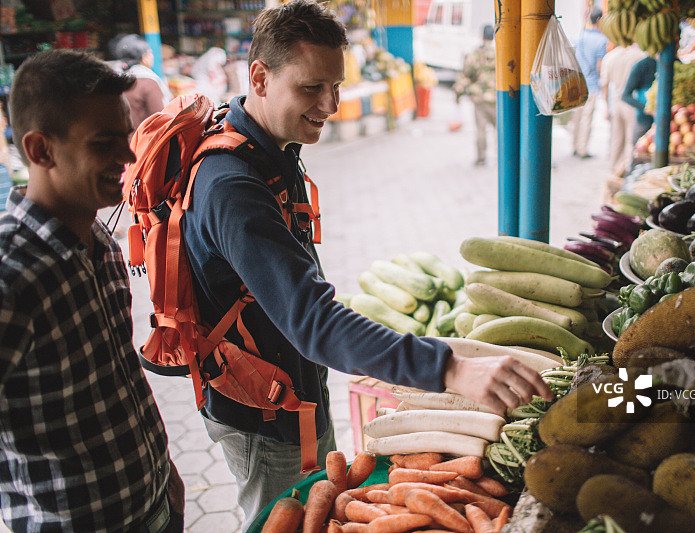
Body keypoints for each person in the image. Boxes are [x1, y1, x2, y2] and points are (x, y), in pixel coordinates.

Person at [180, 1, 553, 529]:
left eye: (336, 85)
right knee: (279, 518)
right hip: (260, 411)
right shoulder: (232, 186)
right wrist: (449, 368)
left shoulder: (267, 147)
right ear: (259, 78)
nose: (330, 104)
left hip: (293, 390)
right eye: (312, 87)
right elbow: (314, 322)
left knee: (322, 500)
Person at [0, 49, 184, 531]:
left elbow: (116, 375)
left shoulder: (98, 236)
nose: (127, 157)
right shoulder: (10, 275)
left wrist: (163, 472)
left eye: (125, 138)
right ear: (41, 150)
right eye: (105, 143)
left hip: (152, 504)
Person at [453, 24, 497, 166]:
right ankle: (504, 157)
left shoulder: (474, 54)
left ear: (482, 36)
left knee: (481, 130)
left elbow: (465, 75)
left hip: (479, 98)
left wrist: (458, 92)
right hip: (497, 97)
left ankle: (481, 158)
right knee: (502, 130)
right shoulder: (500, 53)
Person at [600, 43, 646, 177]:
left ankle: (614, 170)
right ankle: (626, 170)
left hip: (616, 101)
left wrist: (607, 107)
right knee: (630, 140)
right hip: (632, 101)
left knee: (616, 139)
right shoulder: (639, 55)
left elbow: (604, 84)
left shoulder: (610, 56)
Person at [109, 33, 172, 129]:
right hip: (143, 142)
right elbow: (162, 119)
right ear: (144, 57)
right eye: (150, 53)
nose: (151, 56)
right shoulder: (148, 82)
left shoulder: (113, 81)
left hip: (120, 140)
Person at [570, 8, 608, 159]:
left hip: (575, 83)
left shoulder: (578, 37)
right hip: (590, 84)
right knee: (586, 118)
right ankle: (582, 149)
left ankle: (574, 145)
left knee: (576, 117)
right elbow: (599, 66)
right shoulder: (601, 40)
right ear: (599, 20)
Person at [621, 55, 657, 146]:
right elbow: (625, 95)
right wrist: (646, 109)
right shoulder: (642, 65)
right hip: (644, 122)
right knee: (638, 150)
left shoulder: (674, 62)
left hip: (672, 123)